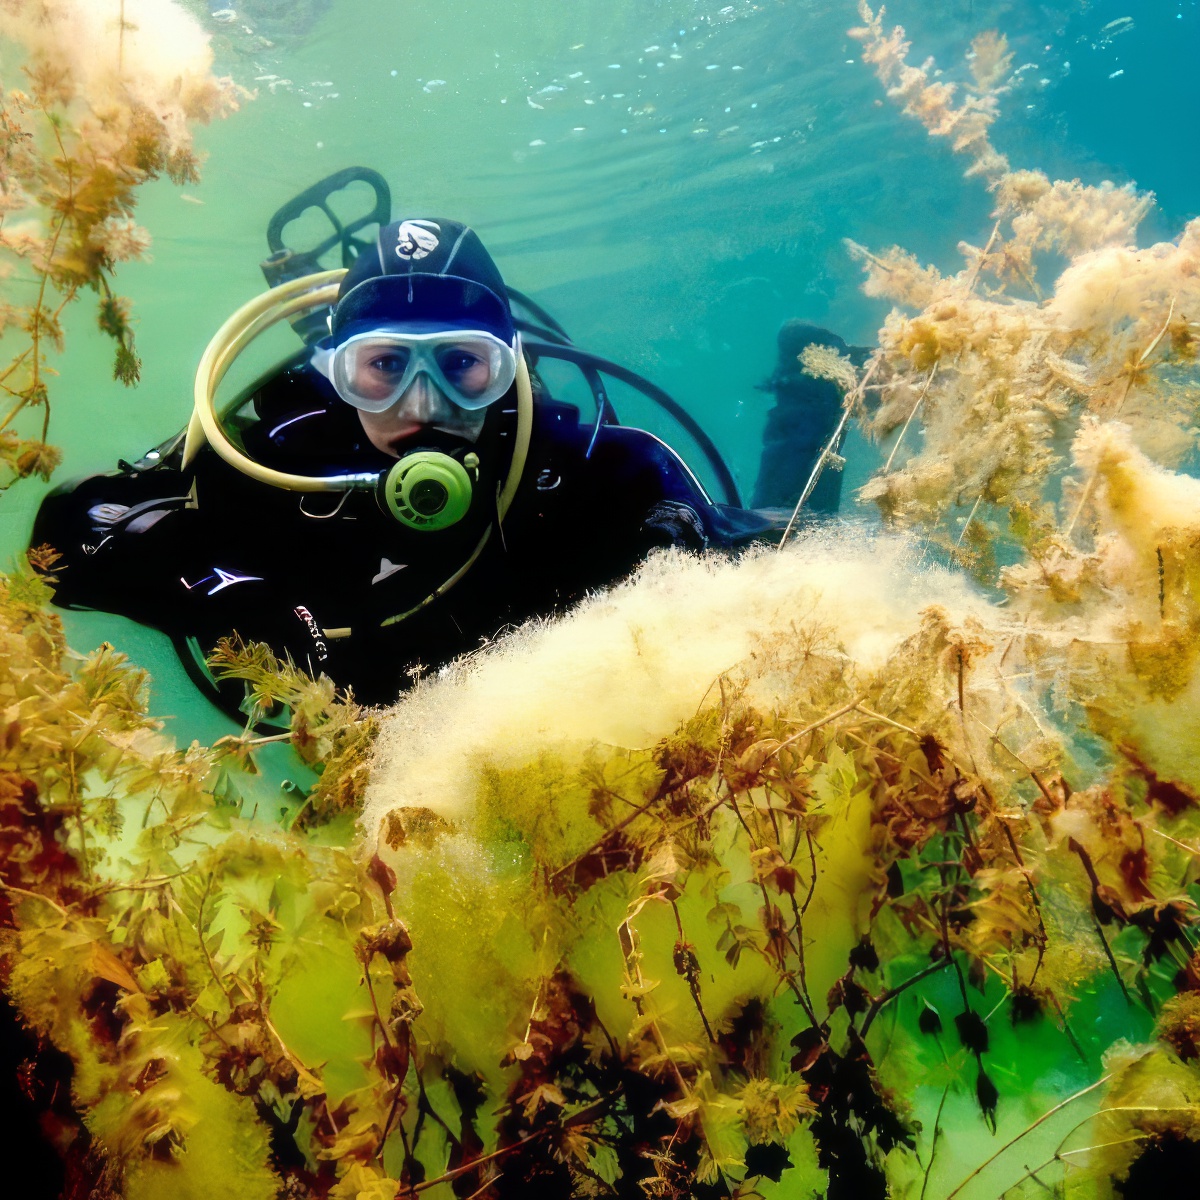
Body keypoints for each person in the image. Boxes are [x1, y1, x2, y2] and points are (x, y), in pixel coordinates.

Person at [33, 204, 814, 710]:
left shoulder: (573, 470)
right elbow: (66, 535)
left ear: (508, 369)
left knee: (806, 527)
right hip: (376, 779)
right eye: (385, 367)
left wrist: (684, 539)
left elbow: (740, 547)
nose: (422, 402)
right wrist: (215, 590)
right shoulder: (277, 459)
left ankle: (808, 409)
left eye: (461, 366)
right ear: (338, 372)